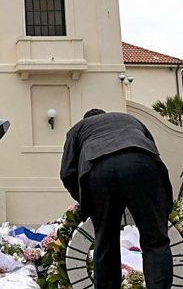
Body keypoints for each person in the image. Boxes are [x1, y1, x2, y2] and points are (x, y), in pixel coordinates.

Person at [60, 109, 173, 289]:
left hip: (98, 170)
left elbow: (67, 173)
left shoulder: (79, 128)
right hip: (142, 163)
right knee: (156, 241)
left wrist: (86, 202)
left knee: (105, 243)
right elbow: (153, 151)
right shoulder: (130, 119)